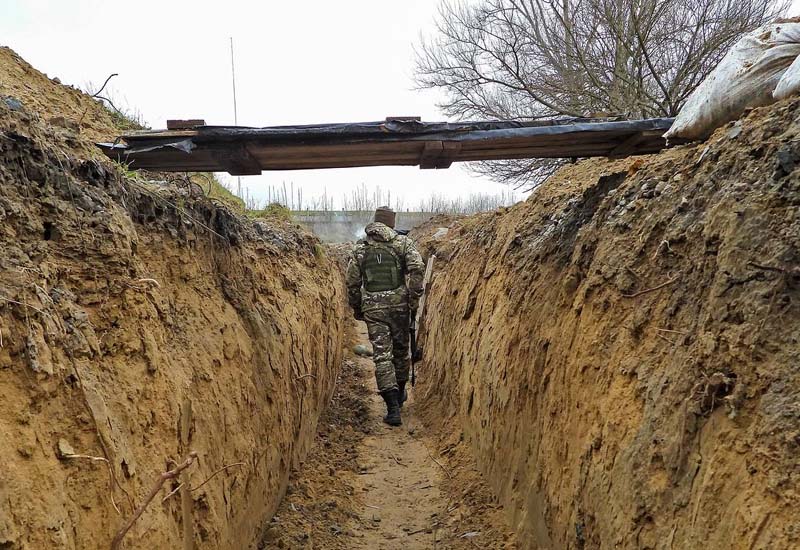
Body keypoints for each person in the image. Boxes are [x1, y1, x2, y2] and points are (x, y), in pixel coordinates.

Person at [345, 206, 425, 426]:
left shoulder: (361, 247)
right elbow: (417, 268)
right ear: (391, 223)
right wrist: (413, 299)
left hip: (373, 309)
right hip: (400, 307)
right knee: (401, 352)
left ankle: (392, 408)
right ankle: (399, 397)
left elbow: (352, 282)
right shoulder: (402, 243)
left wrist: (357, 308)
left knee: (382, 356)